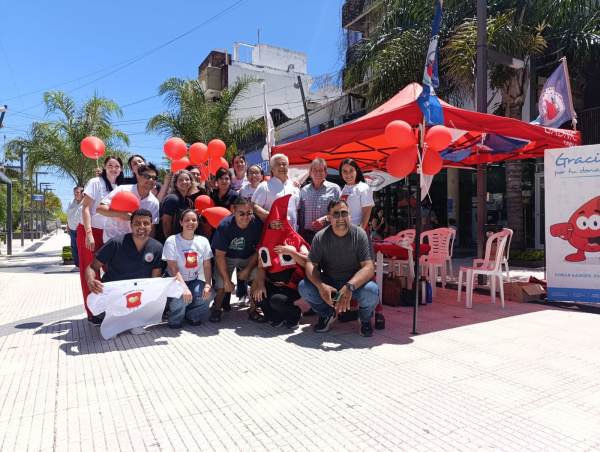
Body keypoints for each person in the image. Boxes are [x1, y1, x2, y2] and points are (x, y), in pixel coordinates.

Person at [298, 199, 379, 337]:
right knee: (304, 287)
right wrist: (321, 286)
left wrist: (349, 286)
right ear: (329, 218)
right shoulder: (320, 237)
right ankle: (327, 314)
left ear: (349, 214)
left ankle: (365, 319)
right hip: (331, 283)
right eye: (336, 214)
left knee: (372, 292)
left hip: (355, 285)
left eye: (344, 213)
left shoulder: (361, 235)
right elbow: (311, 264)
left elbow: (369, 267)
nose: (340, 218)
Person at [85, 209, 165, 336]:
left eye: (146, 223)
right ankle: (107, 318)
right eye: (137, 223)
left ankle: (136, 320)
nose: (142, 227)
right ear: (131, 225)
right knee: (106, 325)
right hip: (113, 295)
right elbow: (92, 267)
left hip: (137, 295)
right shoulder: (115, 243)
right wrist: (90, 280)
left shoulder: (157, 247)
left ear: (151, 225)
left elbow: (155, 278)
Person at [77, 155, 125, 326]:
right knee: (91, 271)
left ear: (121, 169)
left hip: (110, 233)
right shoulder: (95, 182)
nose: (113, 169)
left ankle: (112, 308)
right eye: (110, 165)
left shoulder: (121, 187)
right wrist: (89, 233)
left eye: (117, 166)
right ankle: (93, 313)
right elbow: (86, 208)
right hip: (91, 231)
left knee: (113, 270)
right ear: (104, 167)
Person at [253, 195, 309, 328]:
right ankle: (277, 317)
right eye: (274, 224)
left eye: (280, 224)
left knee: (276, 300)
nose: (277, 227)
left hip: (292, 284)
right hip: (273, 282)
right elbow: (261, 268)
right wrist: (260, 285)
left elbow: (308, 261)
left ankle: (295, 314)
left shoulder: (295, 240)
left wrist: (291, 252)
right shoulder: (264, 244)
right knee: (258, 296)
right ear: (269, 225)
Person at [210, 197, 263, 322]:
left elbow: (259, 250)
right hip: (227, 256)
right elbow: (219, 256)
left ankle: (253, 310)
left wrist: (248, 269)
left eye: (249, 213)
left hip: (248, 256)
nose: (246, 216)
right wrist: (228, 281)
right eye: (241, 213)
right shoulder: (224, 226)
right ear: (234, 212)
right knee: (222, 284)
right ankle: (217, 309)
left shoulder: (257, 224)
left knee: (257, 277)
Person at [162, 209, 216, 328]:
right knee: (181, 297)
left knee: (209, 294)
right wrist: (184, 288)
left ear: (197, 223)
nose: (190, 223)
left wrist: (208, 284)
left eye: (194, 220)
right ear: (181, 222)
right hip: (174, 280)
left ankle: (193, 315)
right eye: (186, 220)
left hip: (192, 280)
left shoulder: (203, 241)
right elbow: (173, 268)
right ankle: (175, 319)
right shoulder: (172, 241)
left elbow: (207, 266)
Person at [97, 163, 160, 243]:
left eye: (154, 178)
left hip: (135, 244)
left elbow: (152, 226)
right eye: (147, 176)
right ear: (138, 177)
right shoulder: (122, 189)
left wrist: (149, 246)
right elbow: (100, 208)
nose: (151, 180)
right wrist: (120, 214)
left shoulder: (154, 202)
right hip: (112, 240)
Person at [298, 158, 341, 245]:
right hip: (308, 236)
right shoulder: (304, 190)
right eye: (315, 170)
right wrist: (301, 233)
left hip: (328, 234)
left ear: (326, 172)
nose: (318, 173)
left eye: (321, 170)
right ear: (310, 173)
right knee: (309, 258)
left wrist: (326, 218)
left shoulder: (334, 189)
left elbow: (340, 210)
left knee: (328, 259)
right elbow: (302, 213)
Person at [252, 154, 300, 231]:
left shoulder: (294, 186)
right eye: (278, 164)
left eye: (284, 164)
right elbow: (254, 206)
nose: (281, 167)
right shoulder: (264, 186)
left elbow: (298, 210)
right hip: (272, 232)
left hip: (292, 232)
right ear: (272, 168)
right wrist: (273, 217)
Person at [161, 169, 202, 241]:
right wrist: (170, 242)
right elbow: (166, 224)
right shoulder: (172, 199)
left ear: (191, 182)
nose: (184, 182)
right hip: (169, 241)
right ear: (175, 183)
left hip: (182, 240)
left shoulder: (189, 201)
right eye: (180, 180)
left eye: (187, 179)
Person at [339, 158, 374, 230]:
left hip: (358, 228)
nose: (348, 174)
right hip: (345, 229)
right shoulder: (344, 189)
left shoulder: (363, 187)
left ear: (356, 171)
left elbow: (367, 211)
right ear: (341, 173)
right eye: (344, 171)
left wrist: (360, 230)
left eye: (351, 170)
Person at [66, 187, 84, 271]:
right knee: (74, 248)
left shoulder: (86, 202)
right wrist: (68, 227)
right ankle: (77, 266)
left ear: (82, 193)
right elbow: (69, 215)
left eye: (77, 192)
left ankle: (84, 265)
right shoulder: (71, 202)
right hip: (73, 229)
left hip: (82, 229)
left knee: (83, 248)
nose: (75, 194)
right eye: (74, 192)